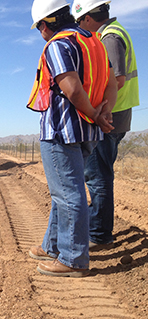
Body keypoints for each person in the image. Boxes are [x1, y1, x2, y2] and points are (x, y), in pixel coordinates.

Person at [27, 0, 117, 277]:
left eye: (39, 28)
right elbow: (112, 82)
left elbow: (72, 89)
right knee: (64, 191)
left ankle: (72, 259)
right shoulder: (93, 41)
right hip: (88, 131)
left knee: (68, 194)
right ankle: (52, 244)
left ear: (45, 24)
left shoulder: (58, 45)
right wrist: (103, 113)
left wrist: (92, 112)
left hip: (61, 131)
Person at [72, 0, 139, 248]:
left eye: (80, 22)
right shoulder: (115, 31)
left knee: (98, 177)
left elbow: (117, 80)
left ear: (88, 18)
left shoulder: (109, 37)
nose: (80, 27)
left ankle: (99, 235)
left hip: (110, 117)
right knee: (100, 174)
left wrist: (96, 111)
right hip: (115, 115)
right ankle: (99, 229)